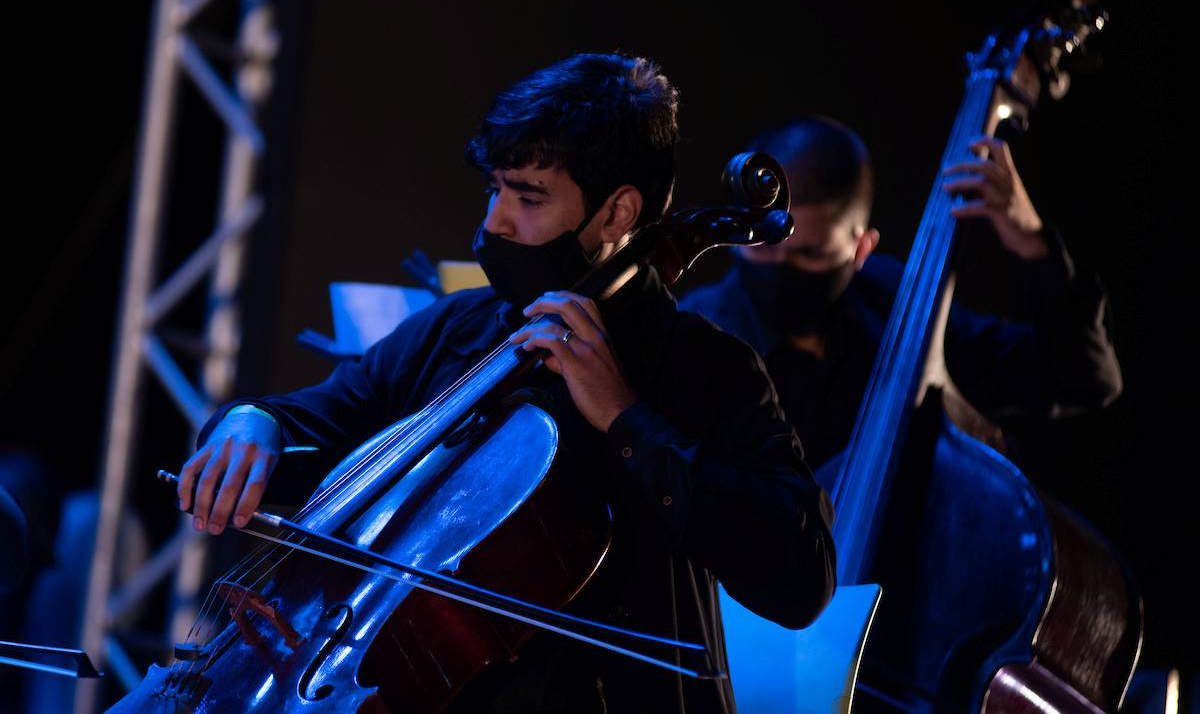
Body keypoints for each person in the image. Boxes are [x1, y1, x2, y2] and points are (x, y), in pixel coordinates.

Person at [176, 54, 836, 714]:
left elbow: (801, 577)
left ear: (616, 214)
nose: (493, 222)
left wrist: (625, 419)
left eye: (527, 197)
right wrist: (252, 422)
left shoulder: (705, 369)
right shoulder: (464, 329)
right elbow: (316, 420)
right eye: (495, 188)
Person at [680, 116, 1122, 473]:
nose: (780, 266)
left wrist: (1036, 245)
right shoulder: (696, 337)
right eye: (762, 245)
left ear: (861, 249)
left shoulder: (897, 304)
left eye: (810, 254)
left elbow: (1083, 379)